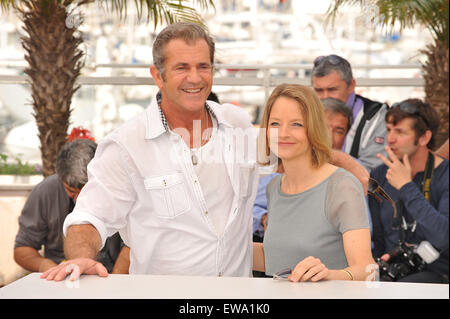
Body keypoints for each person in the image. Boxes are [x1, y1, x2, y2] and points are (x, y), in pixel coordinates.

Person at [41, 22, 369, 281]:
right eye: (182, 67)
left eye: (203, 66)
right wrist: (82, 258)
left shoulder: (237, 124)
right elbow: (90, 218)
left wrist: (351, 173)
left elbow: (295, 145)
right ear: (158, 74)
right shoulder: (126, 144)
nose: (195, 78)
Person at [253, 84, 375, 282]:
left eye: (296, 124)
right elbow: (278, 256)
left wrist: (329, 275)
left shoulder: (341, 186)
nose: (283, 133)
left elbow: (367, 270)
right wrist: (220, 247)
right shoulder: (274, 188)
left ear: (314, 129)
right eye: (275, 123)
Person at [14, 139, 124, 274]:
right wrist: (47, 266)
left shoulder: (120, 187)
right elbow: (22, 248)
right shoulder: (45, 192)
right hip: (64, 278)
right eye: (71, 191)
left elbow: (133, 246)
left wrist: (115, 283)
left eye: (86, 191)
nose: (79, 199)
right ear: (60, 178)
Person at [369, 98, 449, 283]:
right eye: (389, 130)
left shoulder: (445, 175)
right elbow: (377, 238)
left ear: (424, 138)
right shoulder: (379, 175)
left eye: (400, 132)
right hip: (391, 276)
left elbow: (443, 237)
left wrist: (406, 187)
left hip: (438, 277)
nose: (390, 139)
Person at [312, 54, 388, 172]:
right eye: (319, 90)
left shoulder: (375, 117)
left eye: (332, 90)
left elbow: (374, 173)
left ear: (351, 85)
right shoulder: (306, 114)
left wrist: (335, 158)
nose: (325, 97)